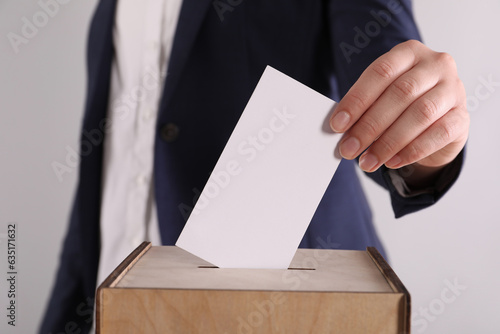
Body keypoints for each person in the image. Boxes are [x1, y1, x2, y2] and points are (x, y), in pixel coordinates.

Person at [40, 0, 469, 333]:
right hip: (116, 311)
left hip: (281, 310)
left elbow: (385, 76)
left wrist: (424, 136)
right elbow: (109, 180)